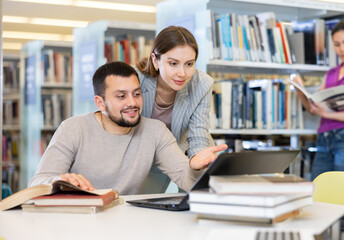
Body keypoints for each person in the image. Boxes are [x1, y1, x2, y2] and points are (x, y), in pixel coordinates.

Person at [28, 61, 227, 194]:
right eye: (121, 96)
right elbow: (37, 182)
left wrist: (193, 166)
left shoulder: (155, 131)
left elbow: (186, 179)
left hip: (127, 224)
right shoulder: (73, 129)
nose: (132, 103)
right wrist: (59, 180)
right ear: (100, 103)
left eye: (137, 94)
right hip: (80, 224)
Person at [135, 26, 216, 193]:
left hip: (183, 153)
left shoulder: (202, 84)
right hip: (143, 158)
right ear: (156, 60)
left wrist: (198, 161)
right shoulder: (136, 79)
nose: (182, 73)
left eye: (189, 64)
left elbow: (199, 133)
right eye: (173, 63)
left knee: (194, 203)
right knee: (139, 206)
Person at [293, 21, 344, 180]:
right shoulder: (330, 73)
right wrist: (300, 92)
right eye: (337, 44)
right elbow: (313, 109)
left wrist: (327, 114)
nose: (342, 49)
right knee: (318, 192)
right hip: (324, 139)